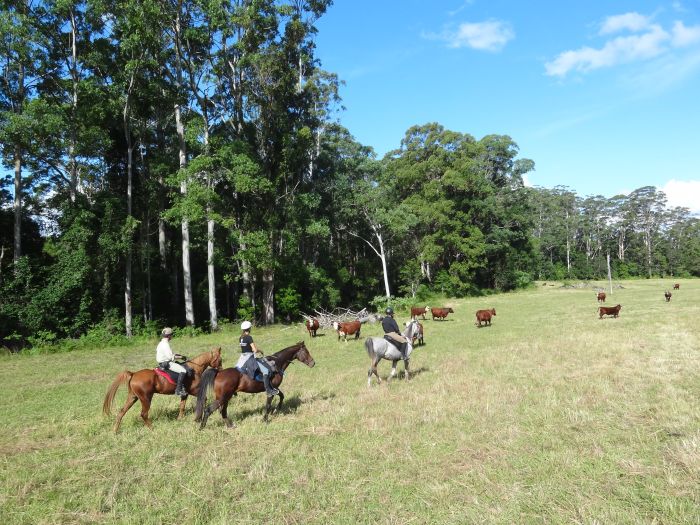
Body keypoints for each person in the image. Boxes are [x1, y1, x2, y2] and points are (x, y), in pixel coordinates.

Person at [236, 321, 279, 397]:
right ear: (249, 328)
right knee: (266, 371)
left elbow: (246, 348)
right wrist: (260, 351)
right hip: (249, 358)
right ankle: (268, 391)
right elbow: (254, 350)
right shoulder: (249, 337)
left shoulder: (241, 338)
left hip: (242, 358)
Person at [156, 327, 188, 397]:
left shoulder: (161, 343)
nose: (172, 336)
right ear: (169, 336)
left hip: (161, 363)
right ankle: (178, 390)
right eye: (171, 335)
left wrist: (179, 355)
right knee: (183, 371)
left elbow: (169, 354)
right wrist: (182, 357)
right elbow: (170, 357)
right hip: (166, 364)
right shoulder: (166, 344)